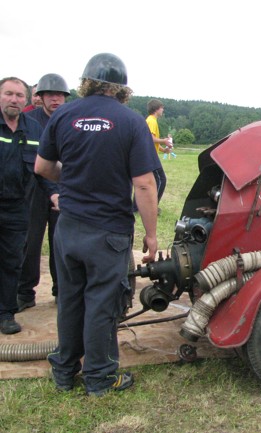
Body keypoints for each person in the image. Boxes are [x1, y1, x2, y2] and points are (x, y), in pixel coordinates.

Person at [35, 53, 160, 396]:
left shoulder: (62, 115)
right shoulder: (131, 121)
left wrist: (73, 179)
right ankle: (101, 378)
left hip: (69, 228)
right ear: (122, 88)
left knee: (71, 300)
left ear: (86, 82)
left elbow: (43, 168)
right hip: (108, 233)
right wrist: (151, 236)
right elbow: (146, 184)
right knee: (102, 304)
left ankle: (63, 372)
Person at [18, 73, 69, 311]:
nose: (55, 99)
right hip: (35, 190)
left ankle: (61, 290)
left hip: (64, 188)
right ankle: (25, 292)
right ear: (41, 97)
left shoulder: (72, 120)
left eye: (59, 95)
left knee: (61, 244)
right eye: (50, 95)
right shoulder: (28, 120)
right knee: (30, 242)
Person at [0, 77, 44, 335]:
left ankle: (6, 313)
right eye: (8, 94)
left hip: (18, 207)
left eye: (19, 95)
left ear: (27, 100)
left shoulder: (35, 129)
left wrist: (54, 194)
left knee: (12, 261)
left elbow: (42, 170)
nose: (14, 99)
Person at [133, 99, 169, 213]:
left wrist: (163, 150)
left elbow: (150, 141)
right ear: (156, 109)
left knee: (143, 182)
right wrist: (165, 141)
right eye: (162, 108)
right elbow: (151, 138)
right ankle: (152, 207)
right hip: (149, 156)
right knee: (161, 180)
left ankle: (135, 207)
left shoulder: (150, 120)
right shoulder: (152, 121)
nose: (163, 110)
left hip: (147, 154)